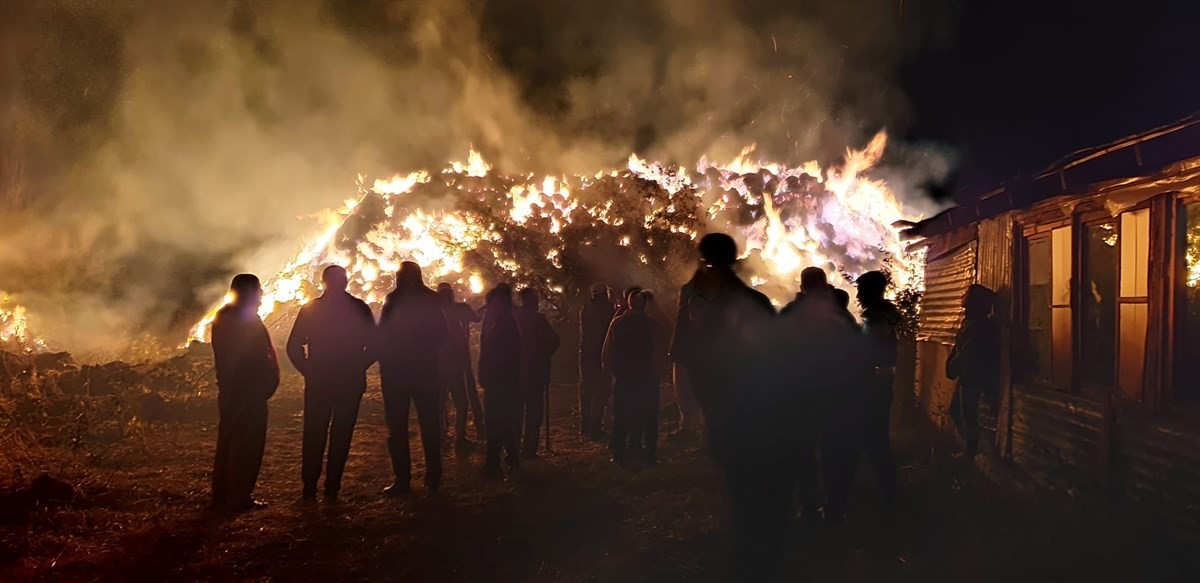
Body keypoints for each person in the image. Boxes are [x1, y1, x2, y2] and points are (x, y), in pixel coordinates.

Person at [672, 233, 784, 580]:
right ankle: (763, 559)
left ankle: (751, 562)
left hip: (735, 415)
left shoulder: (706, 310)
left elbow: (688, 357)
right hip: (760, 414)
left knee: (744, 493)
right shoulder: (757, 302)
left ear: (706, 264)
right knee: (759, 493)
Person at [286, 265, 376, 500]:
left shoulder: (312, 309)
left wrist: (307, 369)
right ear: (344, 282)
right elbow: (375, 345)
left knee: (314, 431)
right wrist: (359, 366)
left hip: (321, 380)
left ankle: (310, 485)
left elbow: (293, 346)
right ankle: (332, 486)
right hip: (347, 380)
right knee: (341, 433)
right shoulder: (358, 308)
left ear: (323, 282)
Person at [779, 266, 858, 525]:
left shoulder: (790, 314)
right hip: (835, 396)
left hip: (800, 395)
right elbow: (857, 349)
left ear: (802, 286)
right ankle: (835, 509)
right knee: (835, 453)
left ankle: (809, 508)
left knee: (803, 454)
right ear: (824, 285)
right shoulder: (839, 315)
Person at [211, 274, 280, 512]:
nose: (261, 294)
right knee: (247, 444)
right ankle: (239, 497)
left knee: (229, 440)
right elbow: (256, 356)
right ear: (249, 291)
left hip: (233, 390)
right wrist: (265, 382)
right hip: (247, 391)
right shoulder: (242, 319)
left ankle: (222, 494)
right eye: (258, 290)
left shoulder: (225, 316)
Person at [378, 262, 448, 495]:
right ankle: (424, 478)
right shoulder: (418, 299)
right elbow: (442, 334)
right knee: (419, 425)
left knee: (406, 426)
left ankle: (416, 478)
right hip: (416, 371)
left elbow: (383, 334)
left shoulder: (399, 299)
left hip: (405, 372)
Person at [846, 270, 901, 514]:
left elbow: (865, 354)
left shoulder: (875, 318)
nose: (857, 294)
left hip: (870, 386)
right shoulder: (885, 315)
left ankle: (887, 498)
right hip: (879, 384)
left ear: (870, 290)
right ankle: (888, 495)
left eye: (860, 289)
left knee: (869, 442)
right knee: (874, 441)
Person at [603, 291, 660, 463]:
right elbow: (658, 350)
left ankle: (619, 452)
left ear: (629, 304)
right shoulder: (652, 324)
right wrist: (659, 372)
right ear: (645, 305)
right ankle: (649, 454)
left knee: (621, 413)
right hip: (647, 376)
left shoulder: (617, 323)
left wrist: (611, 370)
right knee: (649, 416)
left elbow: (607, 350)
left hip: (624, 376)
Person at [946, 284, 1001, 458]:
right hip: (968, 376)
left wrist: (954, 367)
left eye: (967, 295)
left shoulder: (979, 326)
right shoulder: (969, 322)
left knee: (967, 415)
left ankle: (971, 451)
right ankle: (972, 447)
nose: (963, 297)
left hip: (973, 378)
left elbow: (968, 353)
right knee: (958, 411)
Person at [479, 284, 523, 477]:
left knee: (495, 422)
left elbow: (502, 356)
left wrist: (490, 374)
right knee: (500, 422)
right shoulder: (498, 323)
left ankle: (494, 463)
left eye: (492, 304)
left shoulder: (505, 325)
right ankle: (509, 458)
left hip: (501, 381)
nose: (490, 308)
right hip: (499, 380)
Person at [437, 282, 485, 448]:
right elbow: (477, 319)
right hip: (457, 363)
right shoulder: (460, 309)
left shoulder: (435, 313)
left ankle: (442, 434)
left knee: (441, 400)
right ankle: (460, 436)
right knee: (462, 401)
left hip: (441, 364)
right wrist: (483, 308)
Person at [515, 287, 561, 458]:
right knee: (534, 411)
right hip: (534, 372)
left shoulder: (514, 318)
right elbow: (554, 341)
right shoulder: (538, 320)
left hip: (517, 372)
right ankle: (528, 449)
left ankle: (515, 447)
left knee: (517, 411)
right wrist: (544, 353)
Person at [579, 283, 615, 438]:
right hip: (600, 354)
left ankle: (585, 424)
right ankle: (595, 426)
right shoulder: (607, 310)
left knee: (587, 389)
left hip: (586, 354)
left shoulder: (585, 309)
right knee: (601, 389)